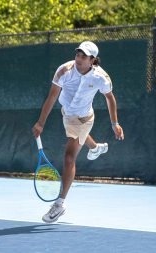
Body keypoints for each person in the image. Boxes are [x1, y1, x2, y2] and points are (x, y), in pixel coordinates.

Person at [32, 41, 124, 223]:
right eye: (77, 54)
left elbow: (110, 98)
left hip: (84, 119)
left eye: (84, 56)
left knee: (69, 157)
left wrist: (115, 123)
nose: (79, 59)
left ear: (93, 60)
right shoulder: (64, 70)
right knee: (78, 138)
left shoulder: (101, 77)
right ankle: (95, 148)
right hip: (67, 113)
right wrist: (40, 123)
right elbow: (52, 97)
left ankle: (60, 204)